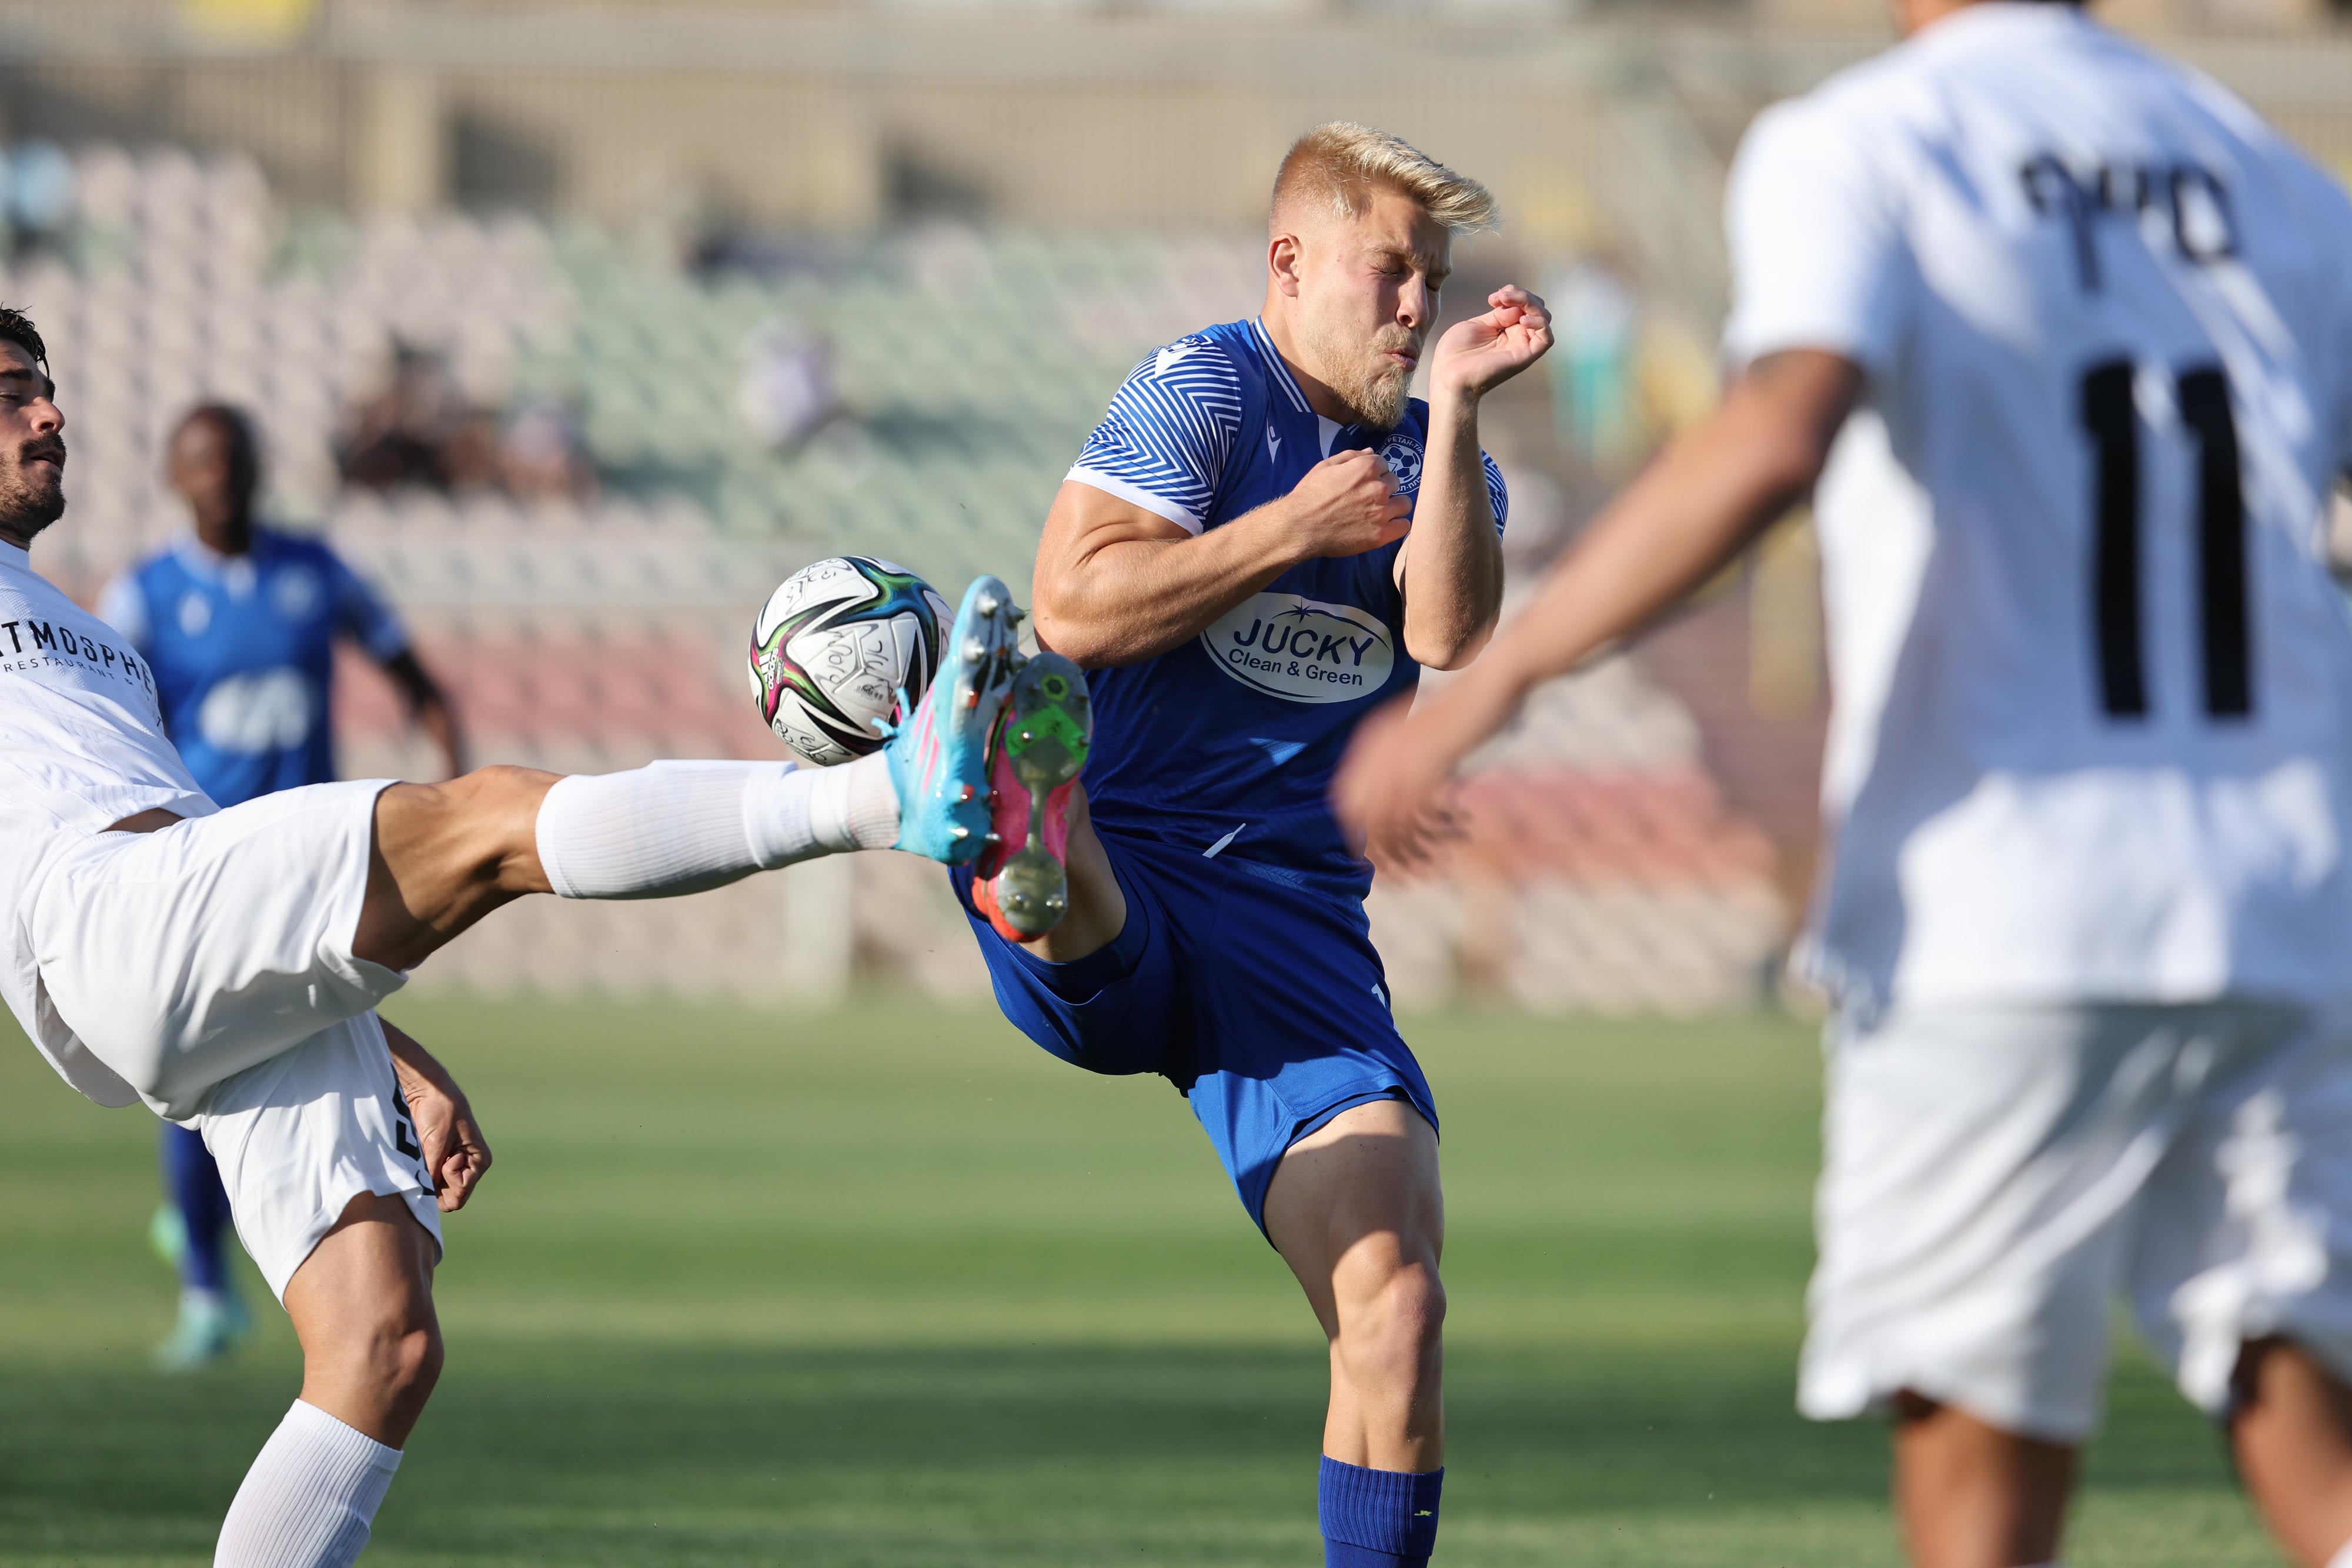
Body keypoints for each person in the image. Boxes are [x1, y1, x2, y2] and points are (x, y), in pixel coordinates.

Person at [1336, 5, 2352, 1566]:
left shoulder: (1870, 143)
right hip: (2285, 892)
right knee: (2302, 1398)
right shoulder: (2263, 173)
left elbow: (1776, 431)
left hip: (2009, 903)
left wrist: (1505, 672)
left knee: (1979, 1459)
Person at [0, 301, 1045, 1568]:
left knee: (384, 1344)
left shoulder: (85, 628)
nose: (48, 412)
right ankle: (891, 795)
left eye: (44, 385)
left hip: (171, 929)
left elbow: (188, 850)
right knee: (489, 819)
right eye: (9, 393)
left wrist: (383, 1044)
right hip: (100, 914)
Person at [952, 123, 1550, 1568]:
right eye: (1387, 271)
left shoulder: (1431, 448)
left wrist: (1460, 409)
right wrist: (1285, 528)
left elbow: (1446, 633)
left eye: (1433, 280)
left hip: (1292, 935)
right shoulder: (1205, 388)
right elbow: (1072, 603)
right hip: (1133, 860)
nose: (1415, 305)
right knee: (1073, 845)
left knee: (1394, 1302)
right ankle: (1019, 811)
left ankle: (1018, 804)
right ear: (1289, 262)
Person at [96, 404, 464, 1372]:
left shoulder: (317, 571)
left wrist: (451, 770)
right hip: (206, 863)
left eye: (235, 461)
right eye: (203, 464)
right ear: (176, 478)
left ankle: (312, 1257)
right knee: (201, 1064)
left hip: (313, 864)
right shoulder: (144, 595)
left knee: (328, 1044)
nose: (221, 478)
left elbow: (415, 675)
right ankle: (207, 1290)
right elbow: (105, 721)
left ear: (260, 470)